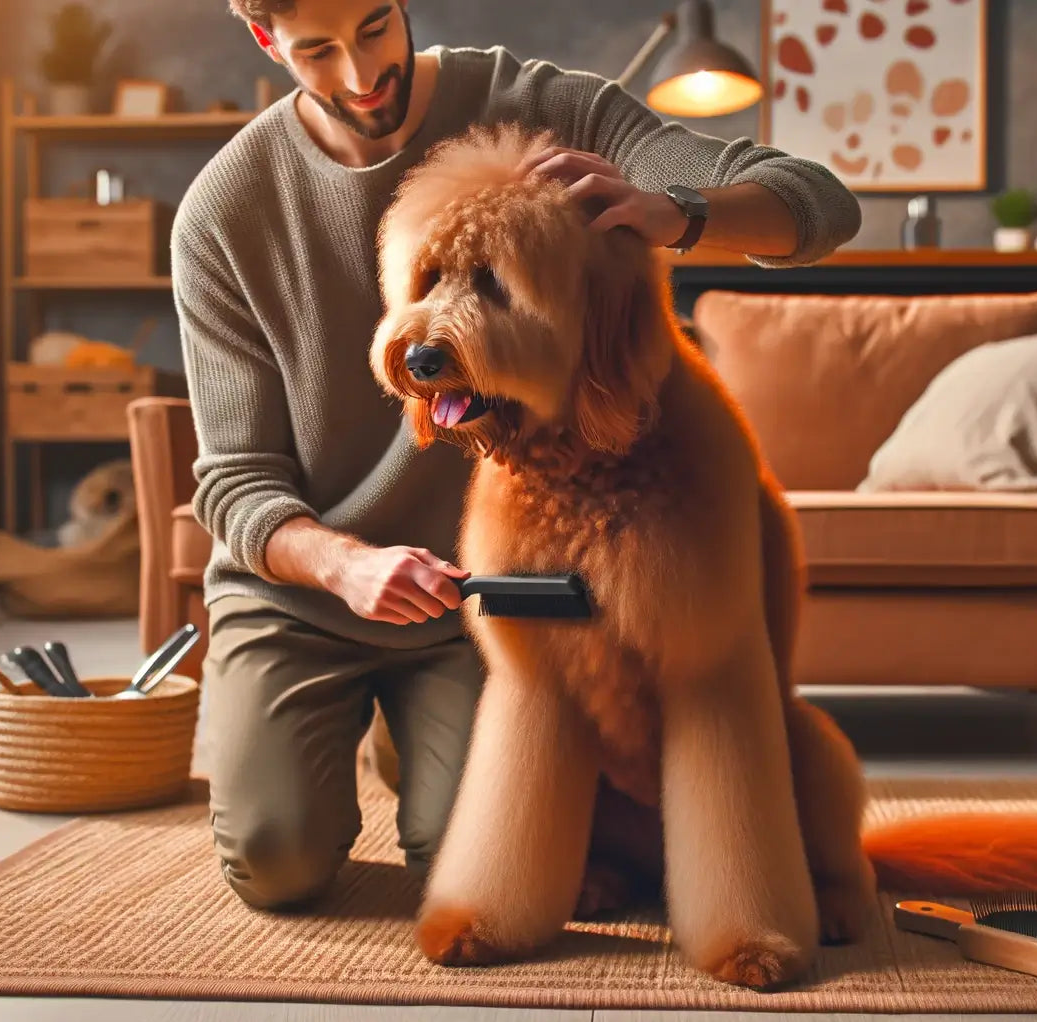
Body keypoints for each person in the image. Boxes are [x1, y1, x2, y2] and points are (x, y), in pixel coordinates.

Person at [175, 0, 862, 910]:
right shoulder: (227, 210)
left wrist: (674, 212)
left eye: (376, 27)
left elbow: (820, 205)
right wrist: (345, 566)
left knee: (470, 849)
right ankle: (365, 717)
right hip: (305, 590)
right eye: (317, 52)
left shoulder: (547, 109)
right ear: (267, 40)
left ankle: (417, 729)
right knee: (276, 861)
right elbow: (234, 482)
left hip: (480, 593)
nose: (359, 74)